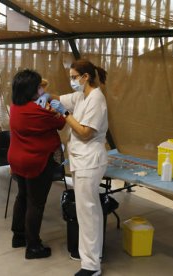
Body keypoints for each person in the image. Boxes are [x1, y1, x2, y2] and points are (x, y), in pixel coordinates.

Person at [8, 69, 66, 259]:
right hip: (36, 161)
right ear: (31, 90)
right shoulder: (37, 111)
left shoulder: (16, 106)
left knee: (23, 197)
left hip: (18, 159)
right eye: (39, 87)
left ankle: (18, 236)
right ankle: (33, 246)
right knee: (36, 203)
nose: (41, 89)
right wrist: (57, 109)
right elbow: (61, 122)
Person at [58, 59, 108, 276]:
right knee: (90, 210)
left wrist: (65, 115)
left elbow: (85, 132)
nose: (72, 81)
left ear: (85, 77)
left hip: (90, 160)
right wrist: (40, 92)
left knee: (87, 212)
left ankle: (91, 266)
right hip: (81, 159)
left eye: (73, 77)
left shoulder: (97, 99)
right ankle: (92, 257)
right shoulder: (81, 95)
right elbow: (56, 99)